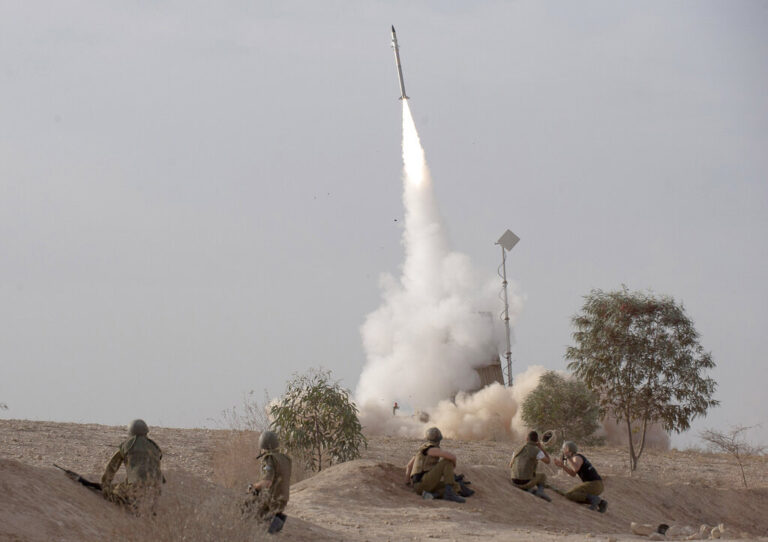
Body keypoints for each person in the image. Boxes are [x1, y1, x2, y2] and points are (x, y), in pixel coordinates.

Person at [100, 419, 164, 514]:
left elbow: (112, 466)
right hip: (156, 488)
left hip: (135, 486)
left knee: (114, 491)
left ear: (130, 432)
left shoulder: (128, 445)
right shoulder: (154, 447)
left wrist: (105, 484)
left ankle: (127, 503)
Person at [243, 430, 293, 534]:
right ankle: (275, 522)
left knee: (243, 505)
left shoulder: (269, 458)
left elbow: (267, 482)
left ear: (262, 444)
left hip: (271, 500)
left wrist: (253, 487)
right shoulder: (285, 459)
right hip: (282, 500)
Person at [404, 427, 472, 503]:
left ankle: (433, 495)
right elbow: (452, 457)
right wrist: (453, 466)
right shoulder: (432, 449)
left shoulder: (421, 451)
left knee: (456, 486)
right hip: (423, 482)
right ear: (439, 439)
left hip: (419, 486)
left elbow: (409, 466)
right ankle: (449, 494)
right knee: (447, 461)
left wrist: (408, 483)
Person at [552, 440, 607, 513]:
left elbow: (575, 468)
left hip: (593, 484)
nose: (563, 451)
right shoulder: (576, 458)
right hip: (597, 485)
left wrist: (568, 458)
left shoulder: (576, 457)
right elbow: (573, 474)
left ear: (568, 449)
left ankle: (594, 499)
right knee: (577, 496)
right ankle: (601, 503)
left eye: (564, 449)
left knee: (569, 494)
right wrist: (562, 466)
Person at [509, 431, 552, 502]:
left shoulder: (517, 449)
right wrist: (541, 448)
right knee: (542, 476)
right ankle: (540, 491)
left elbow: (510, 465)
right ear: (537, 441)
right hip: (525, 482)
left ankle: (528, 489)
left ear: (526, 439)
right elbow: (548, 461)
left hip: (514, 480)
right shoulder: (537, 450)